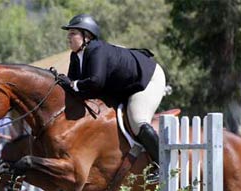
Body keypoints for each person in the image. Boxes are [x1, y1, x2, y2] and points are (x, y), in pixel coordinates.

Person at [59, 14, 166, 170]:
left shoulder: (96, 50)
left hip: (147, 79)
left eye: (73, 33)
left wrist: (72, 84)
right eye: (68, 34)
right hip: (123, 86)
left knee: (137, 120)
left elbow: (96, 81)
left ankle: (163, 164)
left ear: (87, 36)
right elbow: (74, 87)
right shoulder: (75, 56)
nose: (68, 37)